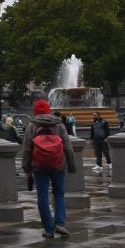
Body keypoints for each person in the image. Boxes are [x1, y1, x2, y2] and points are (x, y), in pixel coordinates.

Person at [22, 100, 76, 238]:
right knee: (59, 193)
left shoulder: (31, 126)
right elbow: (68, 147)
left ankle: (48, 228)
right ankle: (60, 223)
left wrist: (27, 168)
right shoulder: (59, 124)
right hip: (58, 164)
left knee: (42, 196)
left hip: (39, 166)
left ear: (35, 111)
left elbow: (27, 149)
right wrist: (71, 164)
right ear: (48, 110)